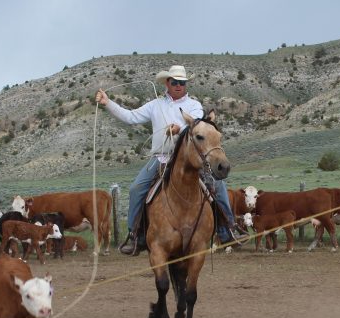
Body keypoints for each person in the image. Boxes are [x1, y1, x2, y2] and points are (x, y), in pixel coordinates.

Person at [95, 65, 249, 256]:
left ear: (185, 84)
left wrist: (180, 129)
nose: (178, 85)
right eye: (174, 82)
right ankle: (136, 235)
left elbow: (199, 126)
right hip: (161, 157)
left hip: (189, 159)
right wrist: (107, 102)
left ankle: (227, 230)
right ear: (167, 83)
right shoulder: (155, 105)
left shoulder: (194, 105)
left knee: (217, 184)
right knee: (136, 188)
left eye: (181, 83)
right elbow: (130, 117)